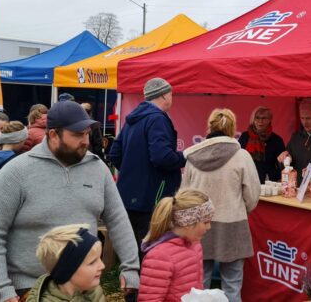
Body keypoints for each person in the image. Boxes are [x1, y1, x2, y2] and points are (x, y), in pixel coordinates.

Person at [0, 101, 139, 302]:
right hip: (27, 289)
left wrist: (131, 267)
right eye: (77, 135)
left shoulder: (98, 169)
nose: (86, 141)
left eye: (87, 133)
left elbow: (118, 220)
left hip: (83, 289)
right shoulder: (16, 173)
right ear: (53, 134)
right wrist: (1, 290)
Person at [181, 109, 260, 302]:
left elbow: (184, 196)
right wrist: (240, 208)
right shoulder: (241, 156)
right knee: (232, 286)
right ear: (233, 129)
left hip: (198, 228)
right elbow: (253, 194)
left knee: (199, 286)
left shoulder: (193, 157)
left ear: (209, 127)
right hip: (233, 225)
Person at [109, 78, 186, 250]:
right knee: (151, 250)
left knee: (132, 250)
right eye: (171, 94)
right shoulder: (157, 119)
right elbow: (162, 157)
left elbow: (114, 153)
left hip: (128, 196)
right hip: (152, 199)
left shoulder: (133, 119)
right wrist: (184, 157)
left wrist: (133, 172)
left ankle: (130, 277)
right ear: (164, 96)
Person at [139, 189, 214, 302]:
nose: (209, 227)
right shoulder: (159, 256)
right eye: (205, 222)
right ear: (188, 223)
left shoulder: (195, 245)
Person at [27, 224, 106, 302]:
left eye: (100, 258)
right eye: (92, 262)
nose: (102, 266)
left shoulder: (94, 291)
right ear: (67, 271)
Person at [277, 99, 311, 187]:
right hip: (296, 192)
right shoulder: (296, 137)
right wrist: (284, 159)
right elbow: (286, 166)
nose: (305, 122)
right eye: (302, 118)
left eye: (308, 118)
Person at [238, 106, 285, 183]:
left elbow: (282, 166)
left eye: (264, 118)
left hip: (267, 184)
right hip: (246, 181)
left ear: (270, 120)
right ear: (253, 119)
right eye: (257, 118)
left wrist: (271, 177)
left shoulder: (276, 140)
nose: (260, 121)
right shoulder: (244, 137)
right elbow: (238, 160)